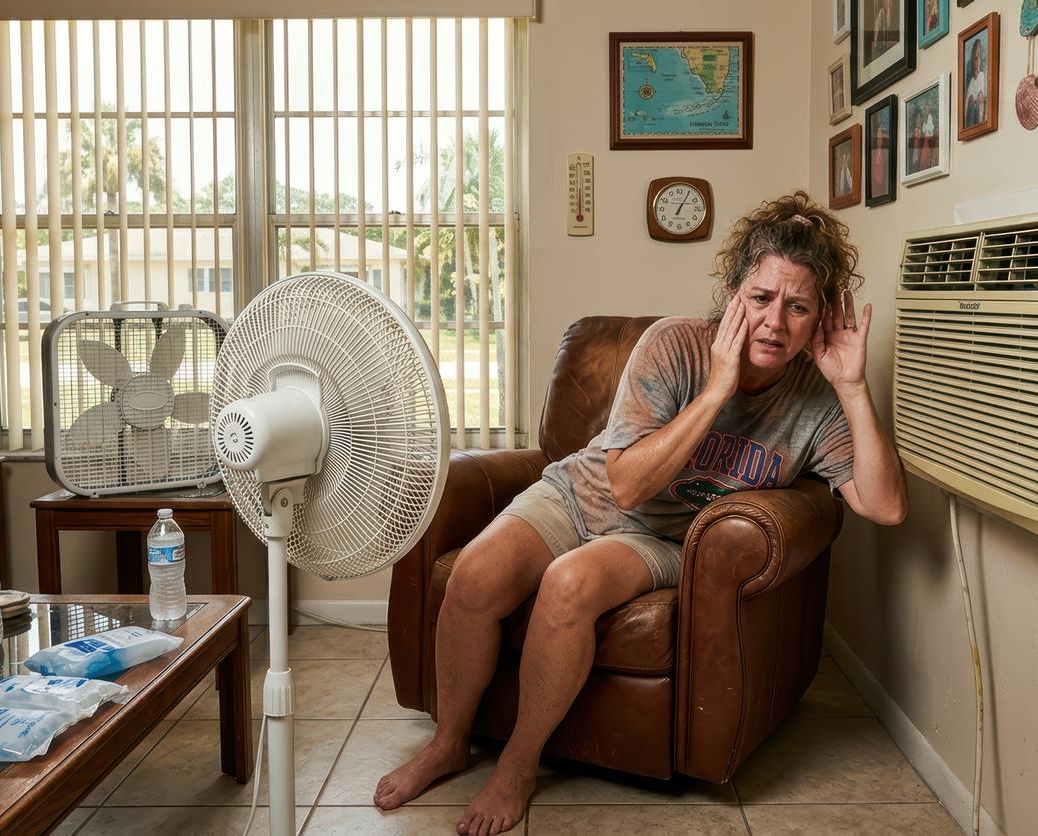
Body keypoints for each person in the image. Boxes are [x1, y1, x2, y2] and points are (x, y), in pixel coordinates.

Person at [372, 191, 908, 836]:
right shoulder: (673, 345)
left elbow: (884, 507)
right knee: (474, 576)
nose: (775, 323)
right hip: (580, 494)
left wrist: (852, 386)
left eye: (798, 306)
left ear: (822, 315)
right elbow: (622, 483)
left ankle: (516, 764)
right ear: (734, 292)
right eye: (762, 299)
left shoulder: (818, 401)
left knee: (568, 585)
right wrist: (717, 389)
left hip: (663, 538)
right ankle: (448, 741)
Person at [965, 39, 987, 127]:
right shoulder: (972, 81)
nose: (977, 61)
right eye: (975, 58)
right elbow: (967, 106)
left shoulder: (983, 76)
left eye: (978, 57)